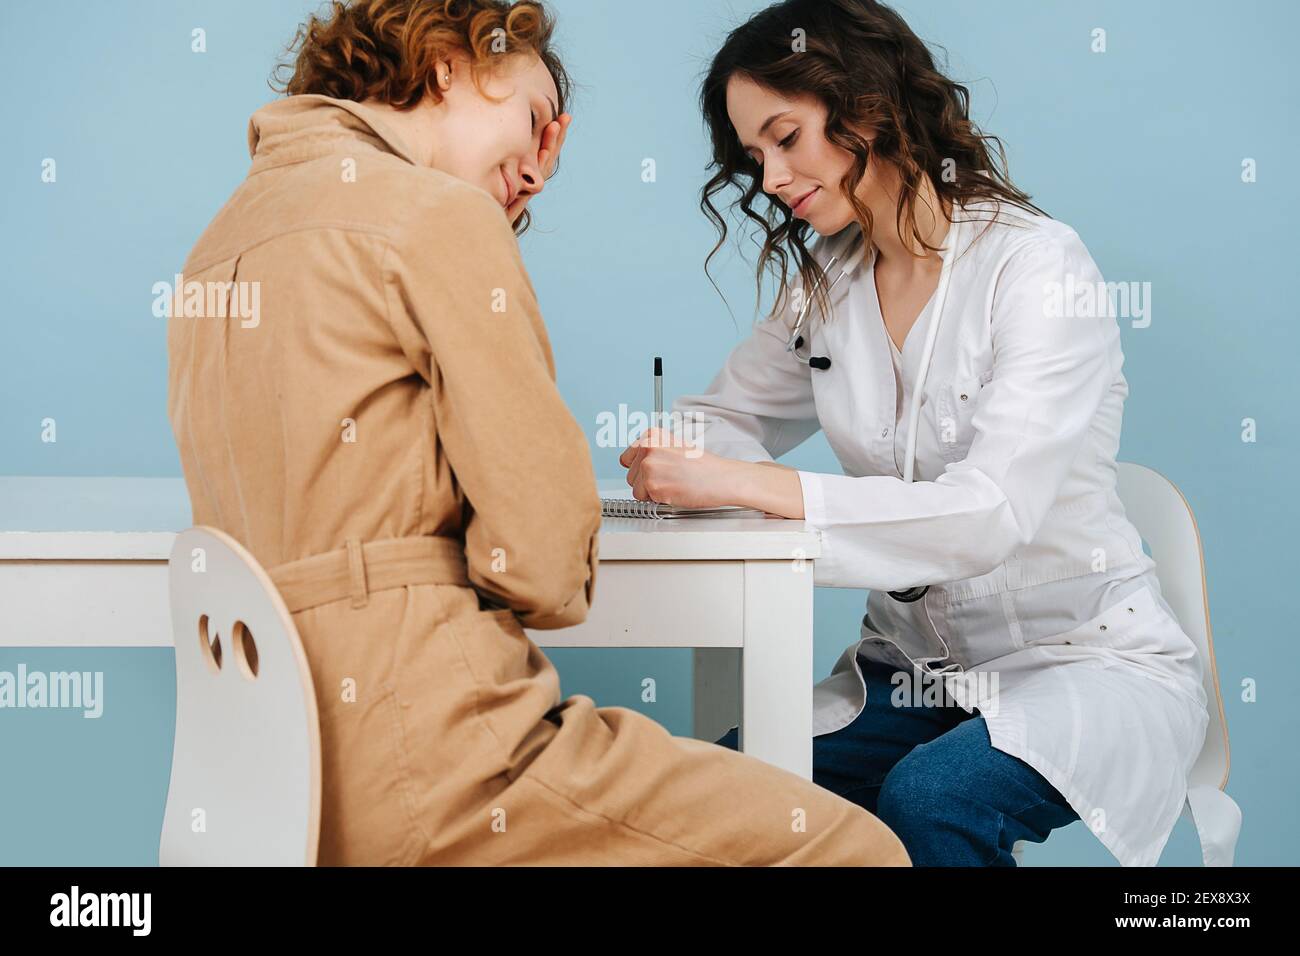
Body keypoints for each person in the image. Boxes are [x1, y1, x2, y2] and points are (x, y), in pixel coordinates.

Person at [166, 0, 909, 866]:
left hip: (278, 788)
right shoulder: (429, 217)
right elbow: (546, 564)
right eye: (532, 119)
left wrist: (504, 174)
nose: (541, 166)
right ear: (449, 60)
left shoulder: (218, 248)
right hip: (443, 762)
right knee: (851, 849)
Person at [619, 0, 1209, 866]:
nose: (774, 177)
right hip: (912, 674)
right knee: (728, 787)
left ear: (865, 105)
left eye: (787, 138)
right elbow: (721, 420)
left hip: (1084, 660)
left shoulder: (1037, 268)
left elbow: (985, 516)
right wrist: (682, 458)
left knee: (932, 798)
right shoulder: (828, 280)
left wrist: (740, 484)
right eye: (756, 157)